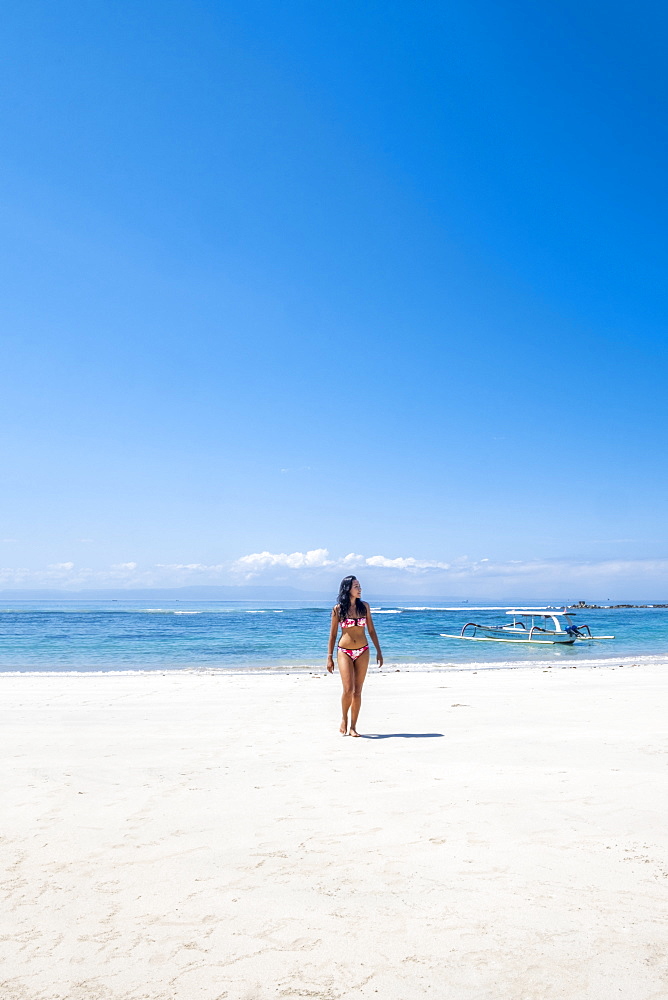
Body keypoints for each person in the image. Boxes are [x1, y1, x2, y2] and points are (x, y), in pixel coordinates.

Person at [326, 576, 383, 736]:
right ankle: (344, 718)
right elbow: (332, 635)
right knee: (348, 689)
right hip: (344, 651)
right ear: (347, 589)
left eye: (360, 586)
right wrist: (329, 657)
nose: (360, 589)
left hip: (363, 650)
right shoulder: (338, 609)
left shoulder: (364, 607)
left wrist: (379, 650)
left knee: (358, 691)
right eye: (356, 586)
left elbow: (371, 630)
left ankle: (353, 727)